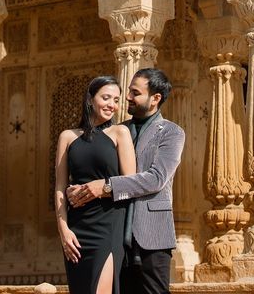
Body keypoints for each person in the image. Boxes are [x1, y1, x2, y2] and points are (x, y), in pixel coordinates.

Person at [67, 68, 185, 294]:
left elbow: (156, 179)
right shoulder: (117, 130)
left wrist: (106, 186)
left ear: (155, 99)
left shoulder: (171, 132)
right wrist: (77, 190)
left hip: (152, 236)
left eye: (135, 92)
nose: (128, 97)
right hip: (115, 234)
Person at [55, 75, 136, 294]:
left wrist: (99, 189)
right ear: (90, 99)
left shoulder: (120, 133)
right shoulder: (68, 137)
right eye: (106, 97)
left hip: (108, 225)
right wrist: (64, 231)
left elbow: (131, 183)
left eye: (116, 100)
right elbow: (60, 188)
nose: (112, 104)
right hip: (77, 229)